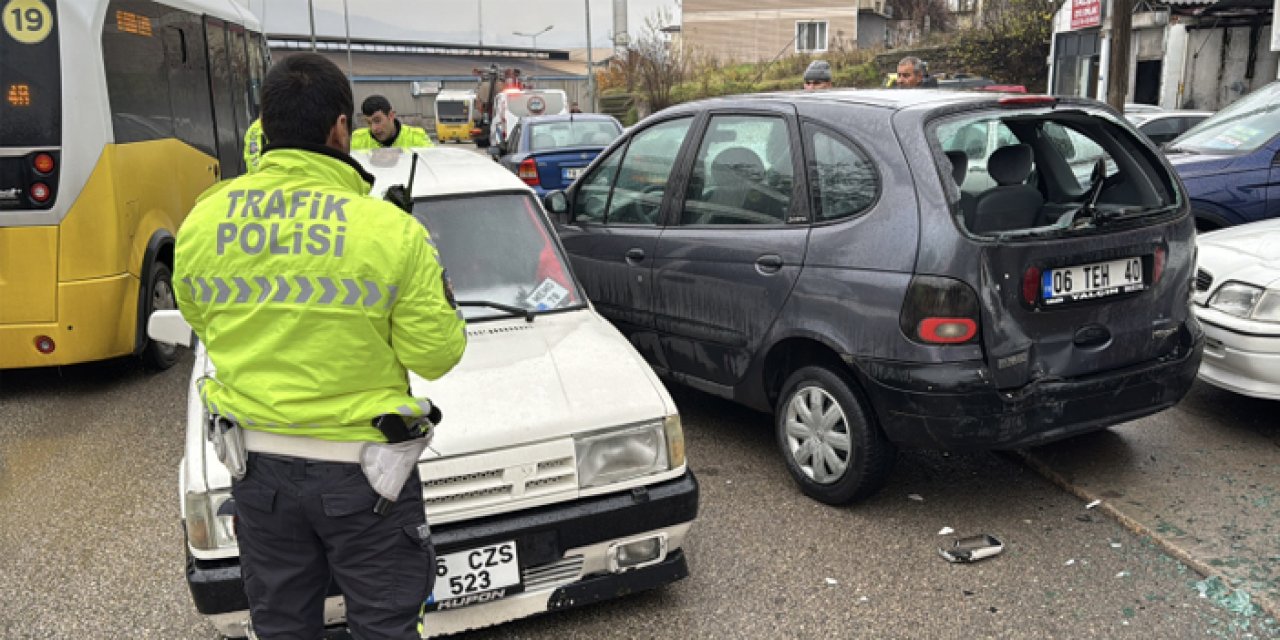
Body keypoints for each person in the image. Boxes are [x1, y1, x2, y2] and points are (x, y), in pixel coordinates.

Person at [173, 53, 467, 639]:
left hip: (257, 473)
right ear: (341, 128)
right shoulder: (389, 230)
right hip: (367, 479)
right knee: (385, 627)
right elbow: (436, 353)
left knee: (282, 627)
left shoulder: (203, 222)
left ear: (266, 125)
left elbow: (201, 318)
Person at [351, 94, 434, 150]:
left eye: (377, 121)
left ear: (391, 116)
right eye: (369, 123)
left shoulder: (416, 137)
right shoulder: (358, 139)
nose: (374, 128)